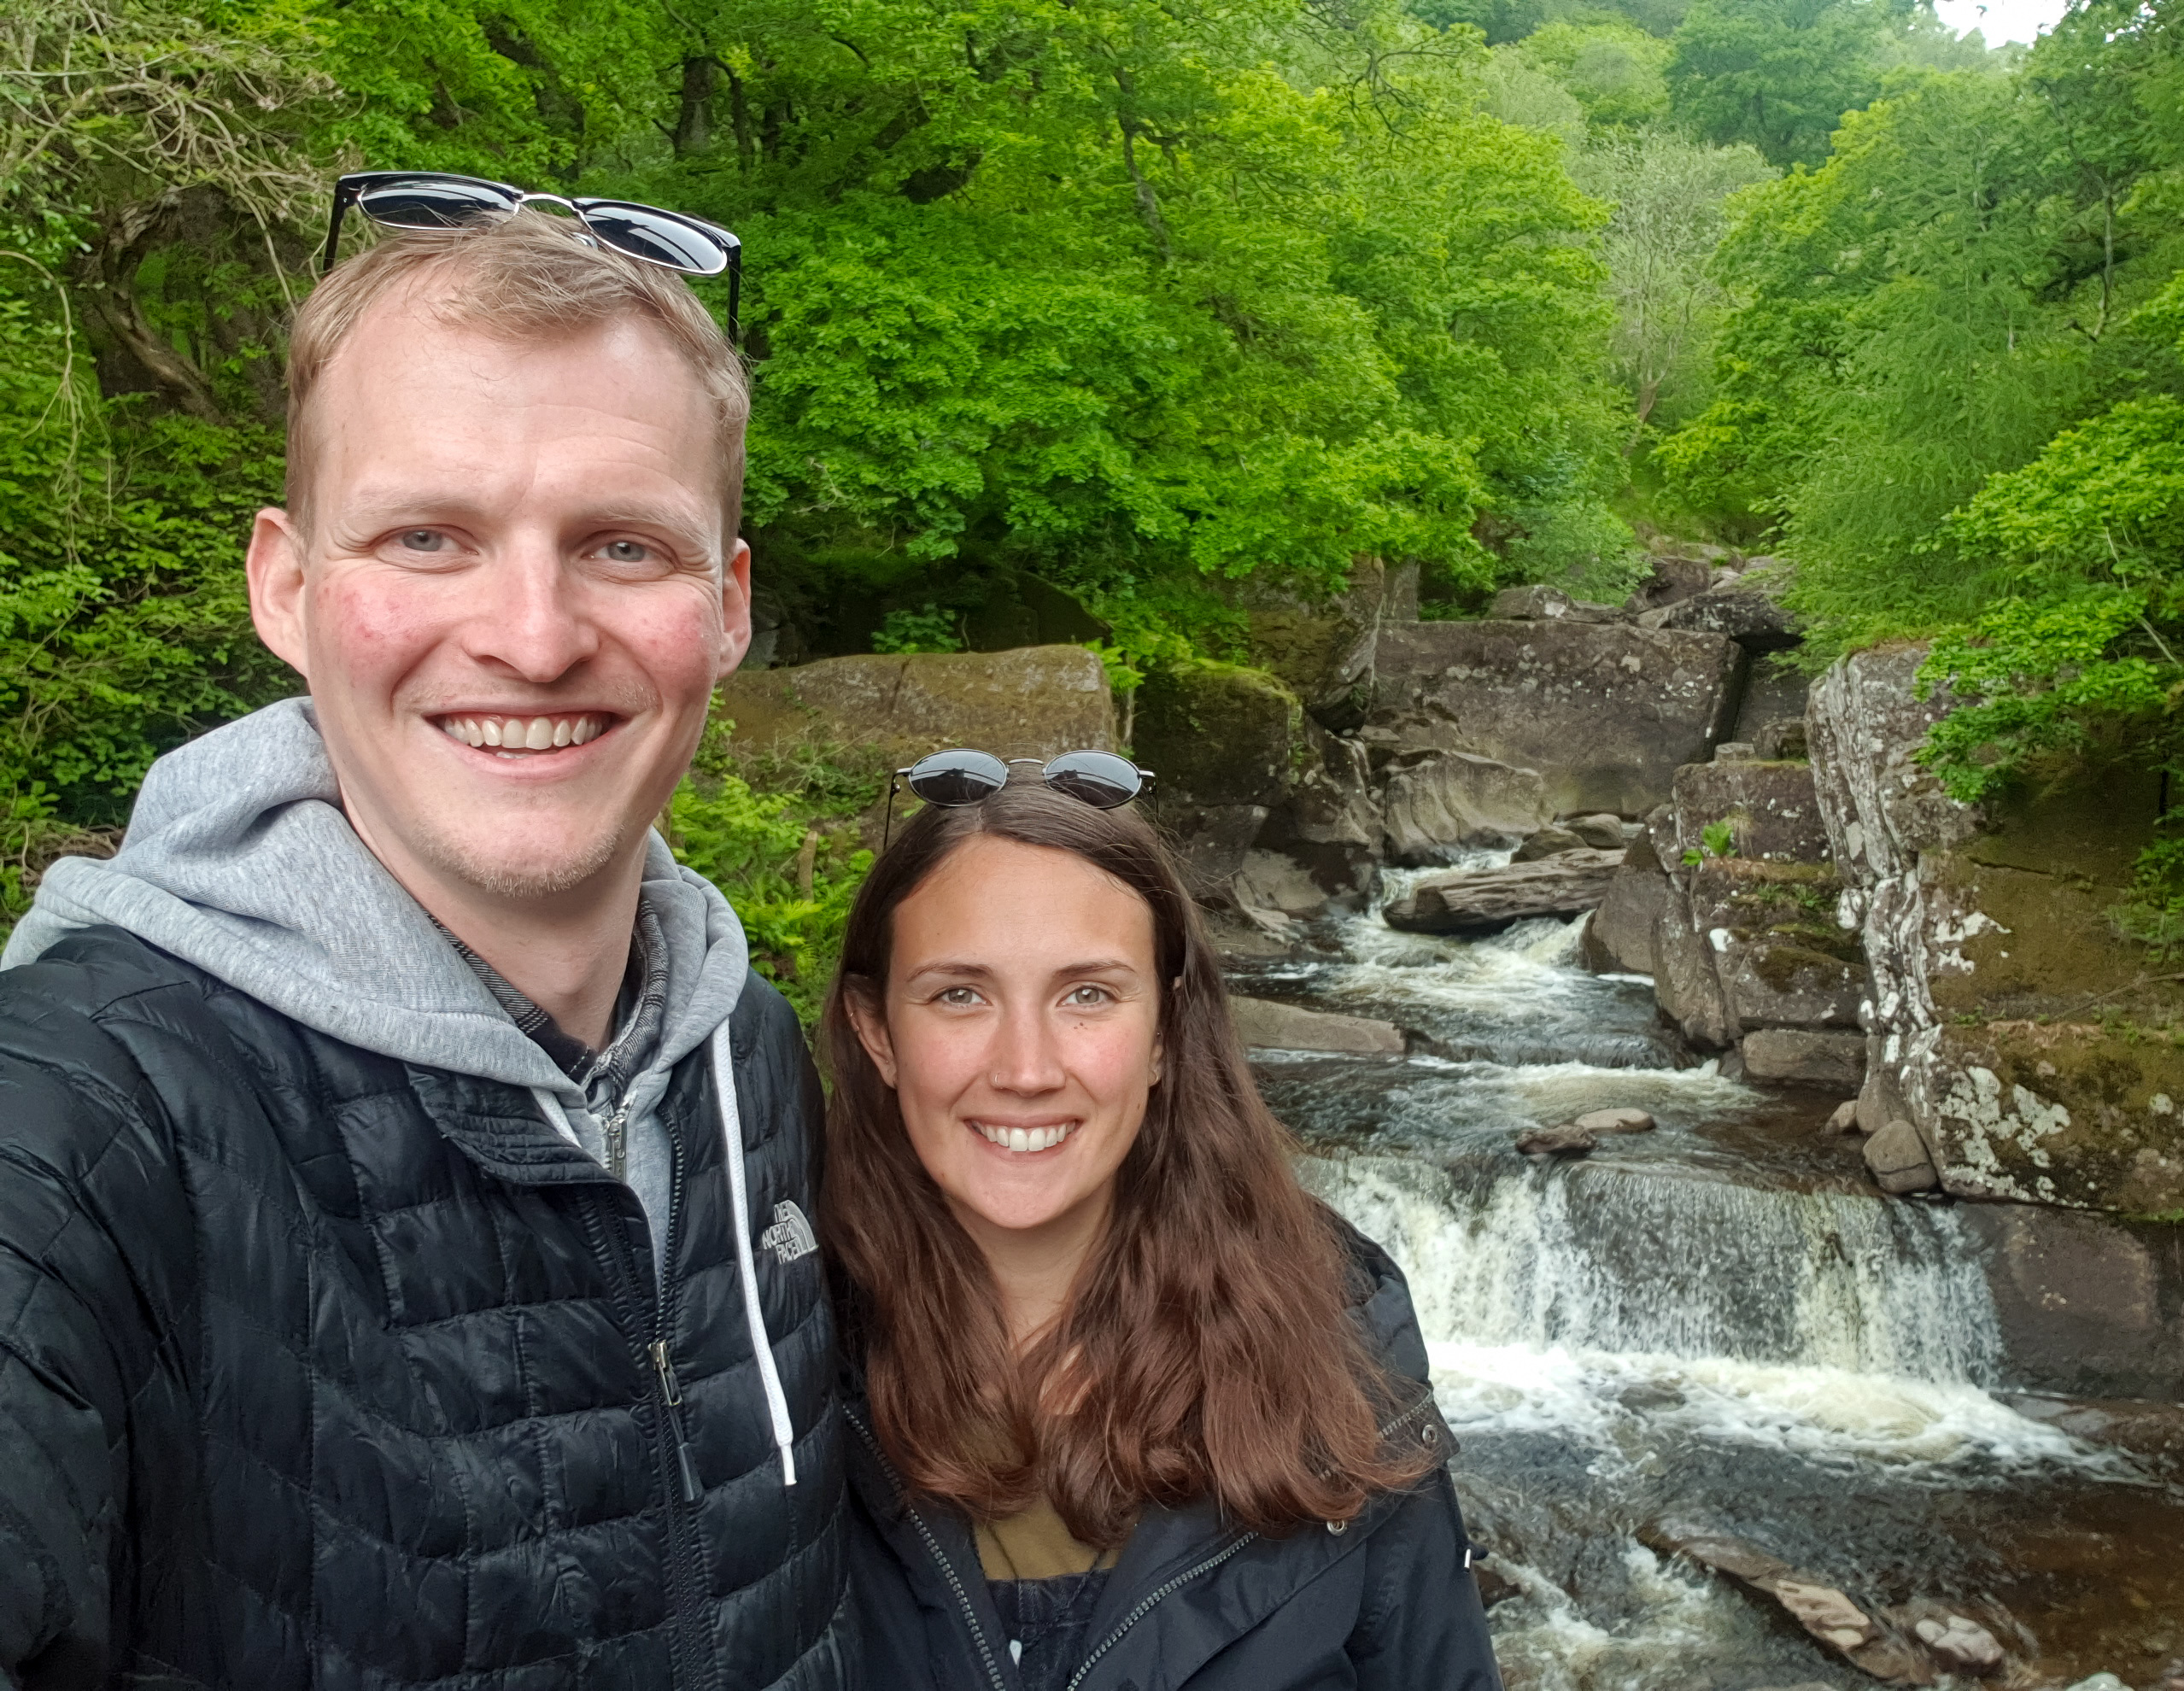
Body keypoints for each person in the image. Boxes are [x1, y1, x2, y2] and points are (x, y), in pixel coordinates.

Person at [0, 200, 852, 1687]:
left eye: (622, 544)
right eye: (427, 536)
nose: (533, 635)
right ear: (287, 587)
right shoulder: (70, 1126)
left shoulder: (750, 1057)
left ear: (725, 608)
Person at [822, 759, 1503, 1691]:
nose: (1026, 1069)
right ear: (876, 1033)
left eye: (1088, 995)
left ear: (1165, 1034)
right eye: (959, 995)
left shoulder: (1343, 1350)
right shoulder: (764, 1373)